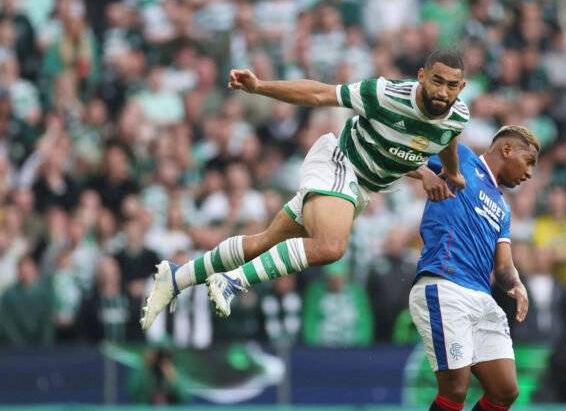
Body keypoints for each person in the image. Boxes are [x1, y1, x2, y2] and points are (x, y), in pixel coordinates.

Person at [140, 49, 470, 330]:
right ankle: (233, 281)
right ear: (421, 76)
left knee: (263, 243)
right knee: (331, 247)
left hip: (357, 189)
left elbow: (443, 139)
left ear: (462, 88)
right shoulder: (386, 94)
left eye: (452, 85)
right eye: (437, 81)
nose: (442, 91)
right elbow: (319, 94)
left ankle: (177, 278)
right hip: (338, 163)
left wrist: (448, 172)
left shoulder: (457, 118)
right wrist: (260, 87)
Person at [409, 125, 539, 411]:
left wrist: (516, 285)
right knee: (455, 389)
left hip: (481, 297)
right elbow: (398, 155)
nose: (530, 173)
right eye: (528, 161)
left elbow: (503, 266)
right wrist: (425, 173)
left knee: (505, 390)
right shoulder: (460, 158)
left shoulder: (501, 207)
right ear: (506, 149)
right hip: (443, 283)